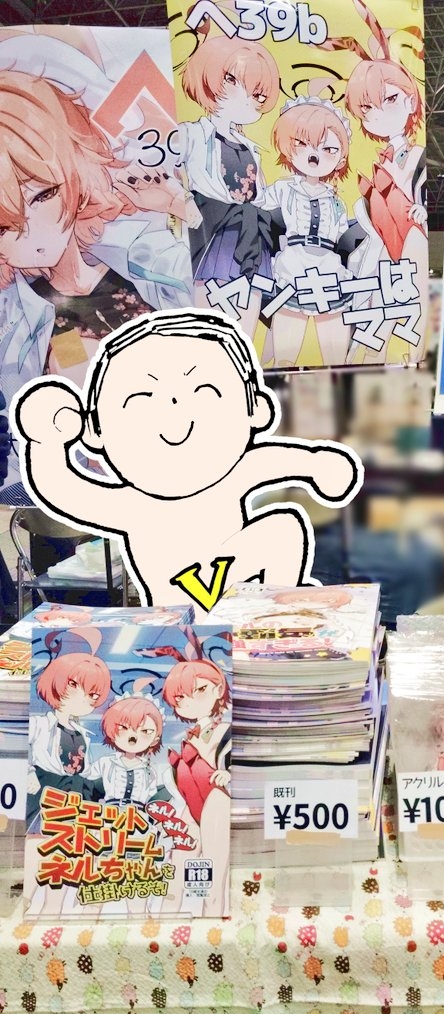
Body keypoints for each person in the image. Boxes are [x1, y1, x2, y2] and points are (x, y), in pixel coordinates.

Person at [13, 308, 362, 618]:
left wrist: (320, 465)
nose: (173, 407)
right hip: (178, 622)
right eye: (141, 399)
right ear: (95, 430)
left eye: (204, 392)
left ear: (256, 409)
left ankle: (279, 612)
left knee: (283, 527)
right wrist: (46, 442)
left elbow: (285, 461)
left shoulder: (235, 471)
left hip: (246, 607)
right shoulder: (131, 506)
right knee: (282, 527)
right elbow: (63, 490)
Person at [0, 69, 194, 503]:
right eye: (6, 226)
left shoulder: (144, 261)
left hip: (191, 453)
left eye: (43, 196)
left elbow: (218, 297)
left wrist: (177, 205)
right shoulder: (19, 321)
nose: (32, 232)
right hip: (101, 491)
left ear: (76, 175)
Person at [322, 0, 427, 362]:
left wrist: (419, 209)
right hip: (383, 245)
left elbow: (417, 195)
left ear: (411, 102)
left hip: (409, 240)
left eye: (391, 100)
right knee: (375, 319)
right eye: (367, 109)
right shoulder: (381, 159)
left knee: (404, 313)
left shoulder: (415, 155)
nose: (378, 115)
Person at [179, 36, 280, 354]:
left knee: (245, 328)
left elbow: (261, 196)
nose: (246, 99)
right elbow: (164, 170)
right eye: (232, 80)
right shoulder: (191, 134)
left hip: (252, 237)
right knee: (208, 325)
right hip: (213, 233)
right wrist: (184, 200)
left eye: (257, 94)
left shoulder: (251, 147)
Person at [255, 97, 353, 367]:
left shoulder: (335, 199)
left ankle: (338, 386)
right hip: (294, 262)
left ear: (340, 157)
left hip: (328, 264)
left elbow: (341, 232)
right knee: (287, 341)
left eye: (328, 149)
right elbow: (259, 201)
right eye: (302, 143)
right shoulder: (285, 188)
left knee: (335, 353)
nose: (314, 155)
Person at [163, 655, 231, 916]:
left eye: (200, 690)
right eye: (181, 697)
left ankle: (212, 924)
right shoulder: (188, 738)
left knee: (213, 873)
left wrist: (228, 774)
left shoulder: (225, 730)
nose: (191, 700)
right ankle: (164, 921)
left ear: (218, 689)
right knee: (177, 870)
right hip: (191, 806)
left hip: (217, 800)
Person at [27, 634, 111, 828]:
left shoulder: (83, 734)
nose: (85, 699)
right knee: (40, 832)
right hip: (46, 789)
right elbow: (18, 747)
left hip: (77, 792)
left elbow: (85, 768)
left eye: (93, 695)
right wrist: (29, 772)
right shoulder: (39, 724)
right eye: (74, 685)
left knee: (74, 835)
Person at [88, 695, 173, 806]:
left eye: (145, 731)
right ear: (111, 732)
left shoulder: (149, 770)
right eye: (123, 728)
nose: (133, 737)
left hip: (138, 812)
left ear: (154, 740)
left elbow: (151, 795)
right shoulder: (106, 761)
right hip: (111, 810)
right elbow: (87, 777)